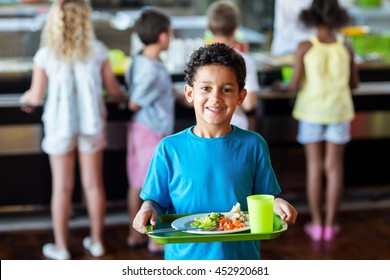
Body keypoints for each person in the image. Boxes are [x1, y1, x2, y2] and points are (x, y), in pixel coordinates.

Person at [133, 43, 298, 260]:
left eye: (227, 89)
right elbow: (155, 201)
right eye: (206, 88)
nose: (216, 97)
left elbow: (266, 198)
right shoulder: (169, 149)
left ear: (241, 96)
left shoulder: (254, 145)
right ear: (189, 93)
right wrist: (147, 208)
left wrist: (277, 204)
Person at [19, 0, 124, 260]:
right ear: (85, 20)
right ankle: (97, 242)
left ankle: (61, 247)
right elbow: (114, 91)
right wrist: (121, 96)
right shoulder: (99, 51)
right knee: (93, 185)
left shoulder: (45, 55)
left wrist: (26, 100)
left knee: (62, 188)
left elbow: (36, 95)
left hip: (59, 127)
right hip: (92, 125)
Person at [273, 0, 359, 241]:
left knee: (314, 168)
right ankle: (331, 226)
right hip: (339, 112)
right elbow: (354, 84)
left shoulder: (304, 47)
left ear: (310, 17)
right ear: (339, 17)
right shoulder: (347, 46)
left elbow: (293, 84)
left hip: (311, 112)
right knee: (334, 169)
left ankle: (317, 224)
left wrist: (280, 86)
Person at [125, 8, 175, 255]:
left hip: (139, 129)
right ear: (163, 37)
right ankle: (154, 239)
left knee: (137, 183)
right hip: (152, 132)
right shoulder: (153, 70)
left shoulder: (140, 58)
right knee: (154, 187)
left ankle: (134, 235)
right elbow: (135, 100)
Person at [206, 0, 259, 130]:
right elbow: (249, 104)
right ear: (235, 29)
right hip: (236, 127)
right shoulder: (244, 60)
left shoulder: (201, 59)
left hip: (207, 128)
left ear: (209, 28)